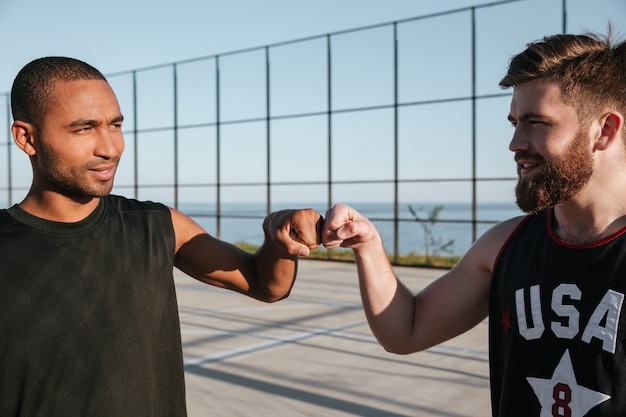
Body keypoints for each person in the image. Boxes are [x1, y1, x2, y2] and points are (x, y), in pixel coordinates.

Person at [322, 29, 626, 416]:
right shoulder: (503, 246)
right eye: (514, 122)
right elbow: (406, 330)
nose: (515, 143)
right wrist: (368, 245)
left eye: (537, 122)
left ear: (605, 130)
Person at [0, 56, 322, 416]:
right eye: (84, 129)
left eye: (116, 125)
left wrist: (279, 242)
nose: (110, 148)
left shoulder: (156, 225)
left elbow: (266, 283)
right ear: (26, 138)